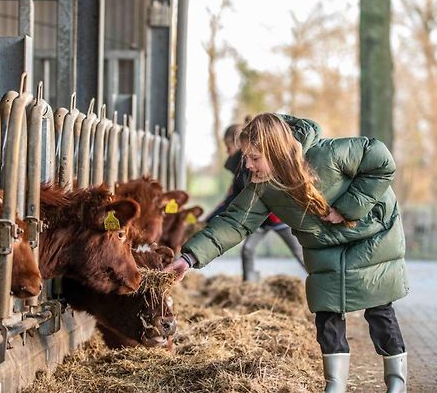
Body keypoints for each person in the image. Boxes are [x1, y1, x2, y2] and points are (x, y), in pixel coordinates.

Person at [166, 113, 409, 393]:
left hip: (370, 234)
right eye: (246, 157)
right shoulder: (261, 185)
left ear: (275, 150)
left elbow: (381, 161)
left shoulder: (327, 154)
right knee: (326, 314)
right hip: (324, 246)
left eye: (255, 157)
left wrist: (348, 208)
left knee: (378, 310)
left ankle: (396, 383)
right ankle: (335, 385)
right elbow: (234, 222)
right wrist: (189, 258)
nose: (247, 164)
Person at [206, 122, 305, 281]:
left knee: (299, 251)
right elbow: (233, 198)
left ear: (237, 143)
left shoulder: (262, 164)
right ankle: (249, 285)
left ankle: (318, 277)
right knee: (247, 249)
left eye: (228, 145)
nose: (226, 150)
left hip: (280, 218)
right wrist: (209, 219)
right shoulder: (242, 169)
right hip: (261, 220)